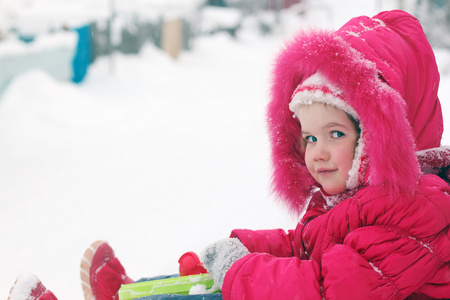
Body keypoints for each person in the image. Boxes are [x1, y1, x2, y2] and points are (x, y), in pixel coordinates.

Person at [8, 9, 450, 300]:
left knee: (236, 290)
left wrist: (240, 271)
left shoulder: (417, 208)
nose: (316, 153)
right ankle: (136, 292)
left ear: (383, 134)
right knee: (220, 284)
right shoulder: (349, 196)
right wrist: (242, 248)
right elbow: (301, 247)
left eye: (334, 133)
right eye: (309, 138)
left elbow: (324, 288)